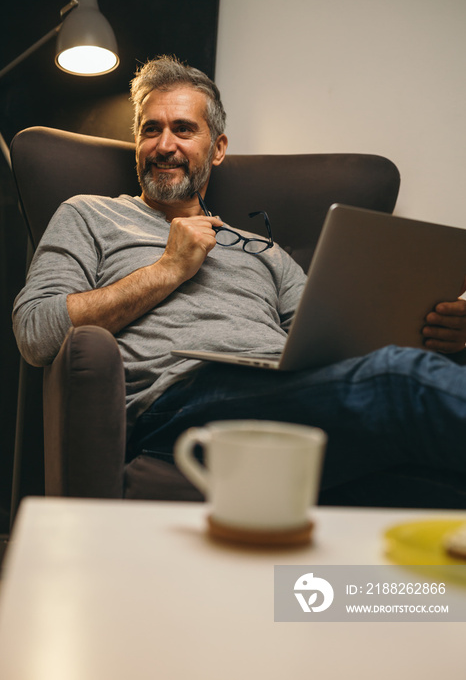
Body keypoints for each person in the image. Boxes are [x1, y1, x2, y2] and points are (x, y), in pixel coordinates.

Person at [12, 55, 466, 504]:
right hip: (178, 400)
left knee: (428, 473)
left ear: (218, 148)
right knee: (401, 381)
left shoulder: (265, 251)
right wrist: (167, 269)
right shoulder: (89, 213)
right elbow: (35, 331)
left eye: (183, 129)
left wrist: (440, 334)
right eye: (151, 129)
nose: (164, 145)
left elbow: (336, 345)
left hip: (289, 390)